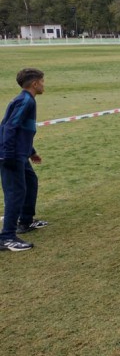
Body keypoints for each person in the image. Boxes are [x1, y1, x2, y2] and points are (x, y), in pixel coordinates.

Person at [0, 68, 49, 252]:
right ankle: (6, 237)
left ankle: (26, 221)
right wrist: (8, 154)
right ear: (35, 84)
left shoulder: (27, 100)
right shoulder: (25, 101)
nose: (44, 85)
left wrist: (31, 151)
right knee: (16, 193)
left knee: (31, 181)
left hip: (20, 152)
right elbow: (9, 127)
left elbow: (22, 130)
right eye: (42, 81)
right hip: (10, 154)